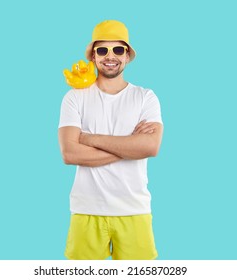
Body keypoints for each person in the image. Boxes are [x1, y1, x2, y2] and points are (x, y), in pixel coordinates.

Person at [58, 20, 163, 260]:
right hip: (86, 211)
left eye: (118, 49)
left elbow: (150, 146)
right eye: (102, 50)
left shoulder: (146, 97)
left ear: (127, 56)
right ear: (93, 57)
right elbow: (70, 154)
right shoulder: (74, 97)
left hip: (134, 210)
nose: (110, 56)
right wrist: (129, 146)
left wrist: (87, 138)